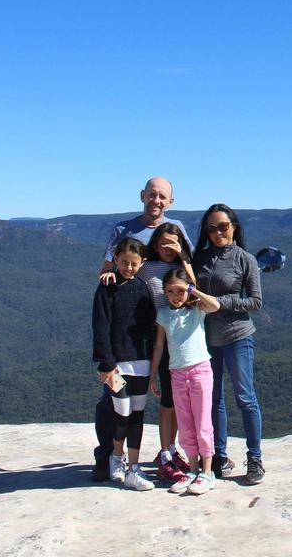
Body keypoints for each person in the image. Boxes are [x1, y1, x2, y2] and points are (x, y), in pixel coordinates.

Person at [92, 177, 193, 482]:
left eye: (162, 196)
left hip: (167, 329)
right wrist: (108, 277)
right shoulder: (123, 229)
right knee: (112, 399)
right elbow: (107, 269)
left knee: (163, 395)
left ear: (170, 202)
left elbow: (190, 272)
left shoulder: (176, 228)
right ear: (142, 196)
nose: (156, 201)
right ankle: (107, 456)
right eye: (152, 195)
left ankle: (165, 451)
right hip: (131, 331)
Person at [192, 203, 265, 484]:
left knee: (245, 398)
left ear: (234, 226)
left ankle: (255, 458)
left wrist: (220, 303)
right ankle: (219, 456)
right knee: (213, 400)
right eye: (212, 228)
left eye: (223, 226)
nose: (218, 232)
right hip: (206, 339)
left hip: (237, 337)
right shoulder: (200, 259)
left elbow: (256, 302)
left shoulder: (245, 259)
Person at [91, 237, 157, 490]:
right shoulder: (106, 288)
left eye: (134, 263)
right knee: (121, 411)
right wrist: (106, 363)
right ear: (115, 260)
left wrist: (155, 363)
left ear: (142, 263)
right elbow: (101, 326)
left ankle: (134, 466)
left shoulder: (143, 288)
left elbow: (150, 326)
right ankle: (116, 458)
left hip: (141, 361)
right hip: (118, 364)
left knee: (137, 413)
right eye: (124, 262)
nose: (128, 267)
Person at [149, 268, 221, 495]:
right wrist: (152, 374)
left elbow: (216, 306)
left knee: (202, 423)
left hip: (199, 370)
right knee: (186, 424)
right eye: (170, 291)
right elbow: (159, 346)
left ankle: (207, 472)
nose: (175, 295)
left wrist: (193, 291)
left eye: (179, 291)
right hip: (176, 373)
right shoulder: (163, 314)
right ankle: (192, 469)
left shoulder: (197, 309)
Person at [139, 223, 197, 485]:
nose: (168, 248)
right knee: (166, 401)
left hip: (182, 340)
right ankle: (164, 454)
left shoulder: (184, 267)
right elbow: (129, 283)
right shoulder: (147, 267)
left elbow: (193, 291)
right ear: (154, 243)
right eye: (163, 243)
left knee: (176, 400)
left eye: (174, 243)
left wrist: (184, 258)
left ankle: (172, 450)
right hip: (158, 337)